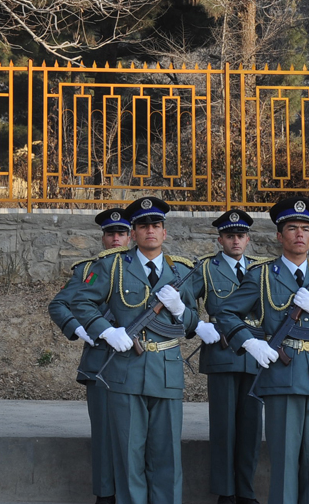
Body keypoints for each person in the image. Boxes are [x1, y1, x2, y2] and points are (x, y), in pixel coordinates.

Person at [216, 197, 309, 504]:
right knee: (285, 461)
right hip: (283, 375)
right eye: (292, 228)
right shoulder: (262, 275)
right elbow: (225, 314)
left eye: (305, 228)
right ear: (279, 235)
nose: (299, 234)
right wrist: (250, 342)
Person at [73, 196, 197, 504]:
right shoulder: (112, 265)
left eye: (156, 225)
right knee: (129, 458)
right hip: (125, 372)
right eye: (143, 226)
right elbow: (81, 302)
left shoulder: (180, 270)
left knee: (167, 456)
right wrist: (107, 330)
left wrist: (180, 308)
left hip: (167, 370)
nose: (150, 231)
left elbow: (193, 322)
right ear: (134, 231)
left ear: (164, 232)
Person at [47, 207, 130, 504]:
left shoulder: (144, 268)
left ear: (130, 235)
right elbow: (59, 305)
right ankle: (105, 495)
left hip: (137, 361)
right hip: (101, 364)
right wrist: (80, 329)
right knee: (105, 435)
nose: (116, 239)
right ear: (103, 237)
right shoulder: (87, 270)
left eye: (122, 233)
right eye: (111, 233)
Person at [192, 210, 264, 504]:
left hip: (255, 352)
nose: (236, 241)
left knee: (251, 427)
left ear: (248, 239)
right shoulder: (206, 269)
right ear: (220, 239)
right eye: (230, 236)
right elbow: (182, 301)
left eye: (241, 236)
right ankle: (226, 491)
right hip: (222, 352)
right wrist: (198, 325)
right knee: (224, 427)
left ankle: (245, 491)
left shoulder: (262, 270)